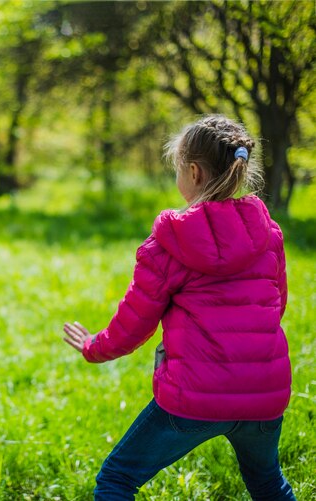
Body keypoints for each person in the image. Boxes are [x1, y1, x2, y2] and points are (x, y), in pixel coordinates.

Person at [63, 114, 295, 500]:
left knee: (117, 480)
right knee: (269, 484)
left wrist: (93, 347)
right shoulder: (269, 233)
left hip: (194, 396)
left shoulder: (170, 241)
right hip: (266, 395)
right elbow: (277, 305)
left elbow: (134, 325)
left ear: (193, 172)